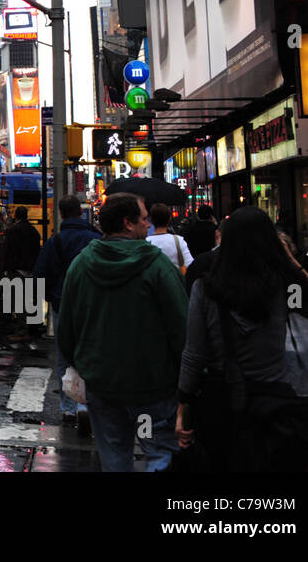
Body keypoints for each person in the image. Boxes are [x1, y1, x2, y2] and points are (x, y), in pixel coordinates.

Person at [176, 206, 308, 472]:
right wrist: (291, 262)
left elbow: (194, 353)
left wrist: (183, 407)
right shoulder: (282, 285)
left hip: (220, 398)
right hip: (274, 400)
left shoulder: (205, 288)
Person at [57, 193, 187, 472]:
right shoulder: (158, 266)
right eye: (143, 219)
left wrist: (80, 363)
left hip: (103, 387)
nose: (147, 224)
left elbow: (66, 330)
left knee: (114, 458)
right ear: (128, 223)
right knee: (158, 455)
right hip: (152, 389)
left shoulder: (81, 265)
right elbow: (181, 329)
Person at [33, 195, 99, 427]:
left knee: (64, 357)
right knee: (88, 354)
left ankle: (68, 408)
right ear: (80, 212)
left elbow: (40, 274)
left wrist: (50, 297)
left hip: (62, 304)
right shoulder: (96, 239)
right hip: (91, 306)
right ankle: (84, 404)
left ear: (60, 214)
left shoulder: (55, 242)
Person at [146, 203, 193, 272]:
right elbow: (190, 264)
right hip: (175, 281)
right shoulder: (178, 241)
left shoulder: (146, 242)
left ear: (152, 220)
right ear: (169, 219)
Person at [1, 206, 40, 275]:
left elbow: (7, 250)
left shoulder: (12, 230)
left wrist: (4, 268)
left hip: (15, 269)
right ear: (26, 216)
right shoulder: (33, 231)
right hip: (30, 269)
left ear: (16, 216)